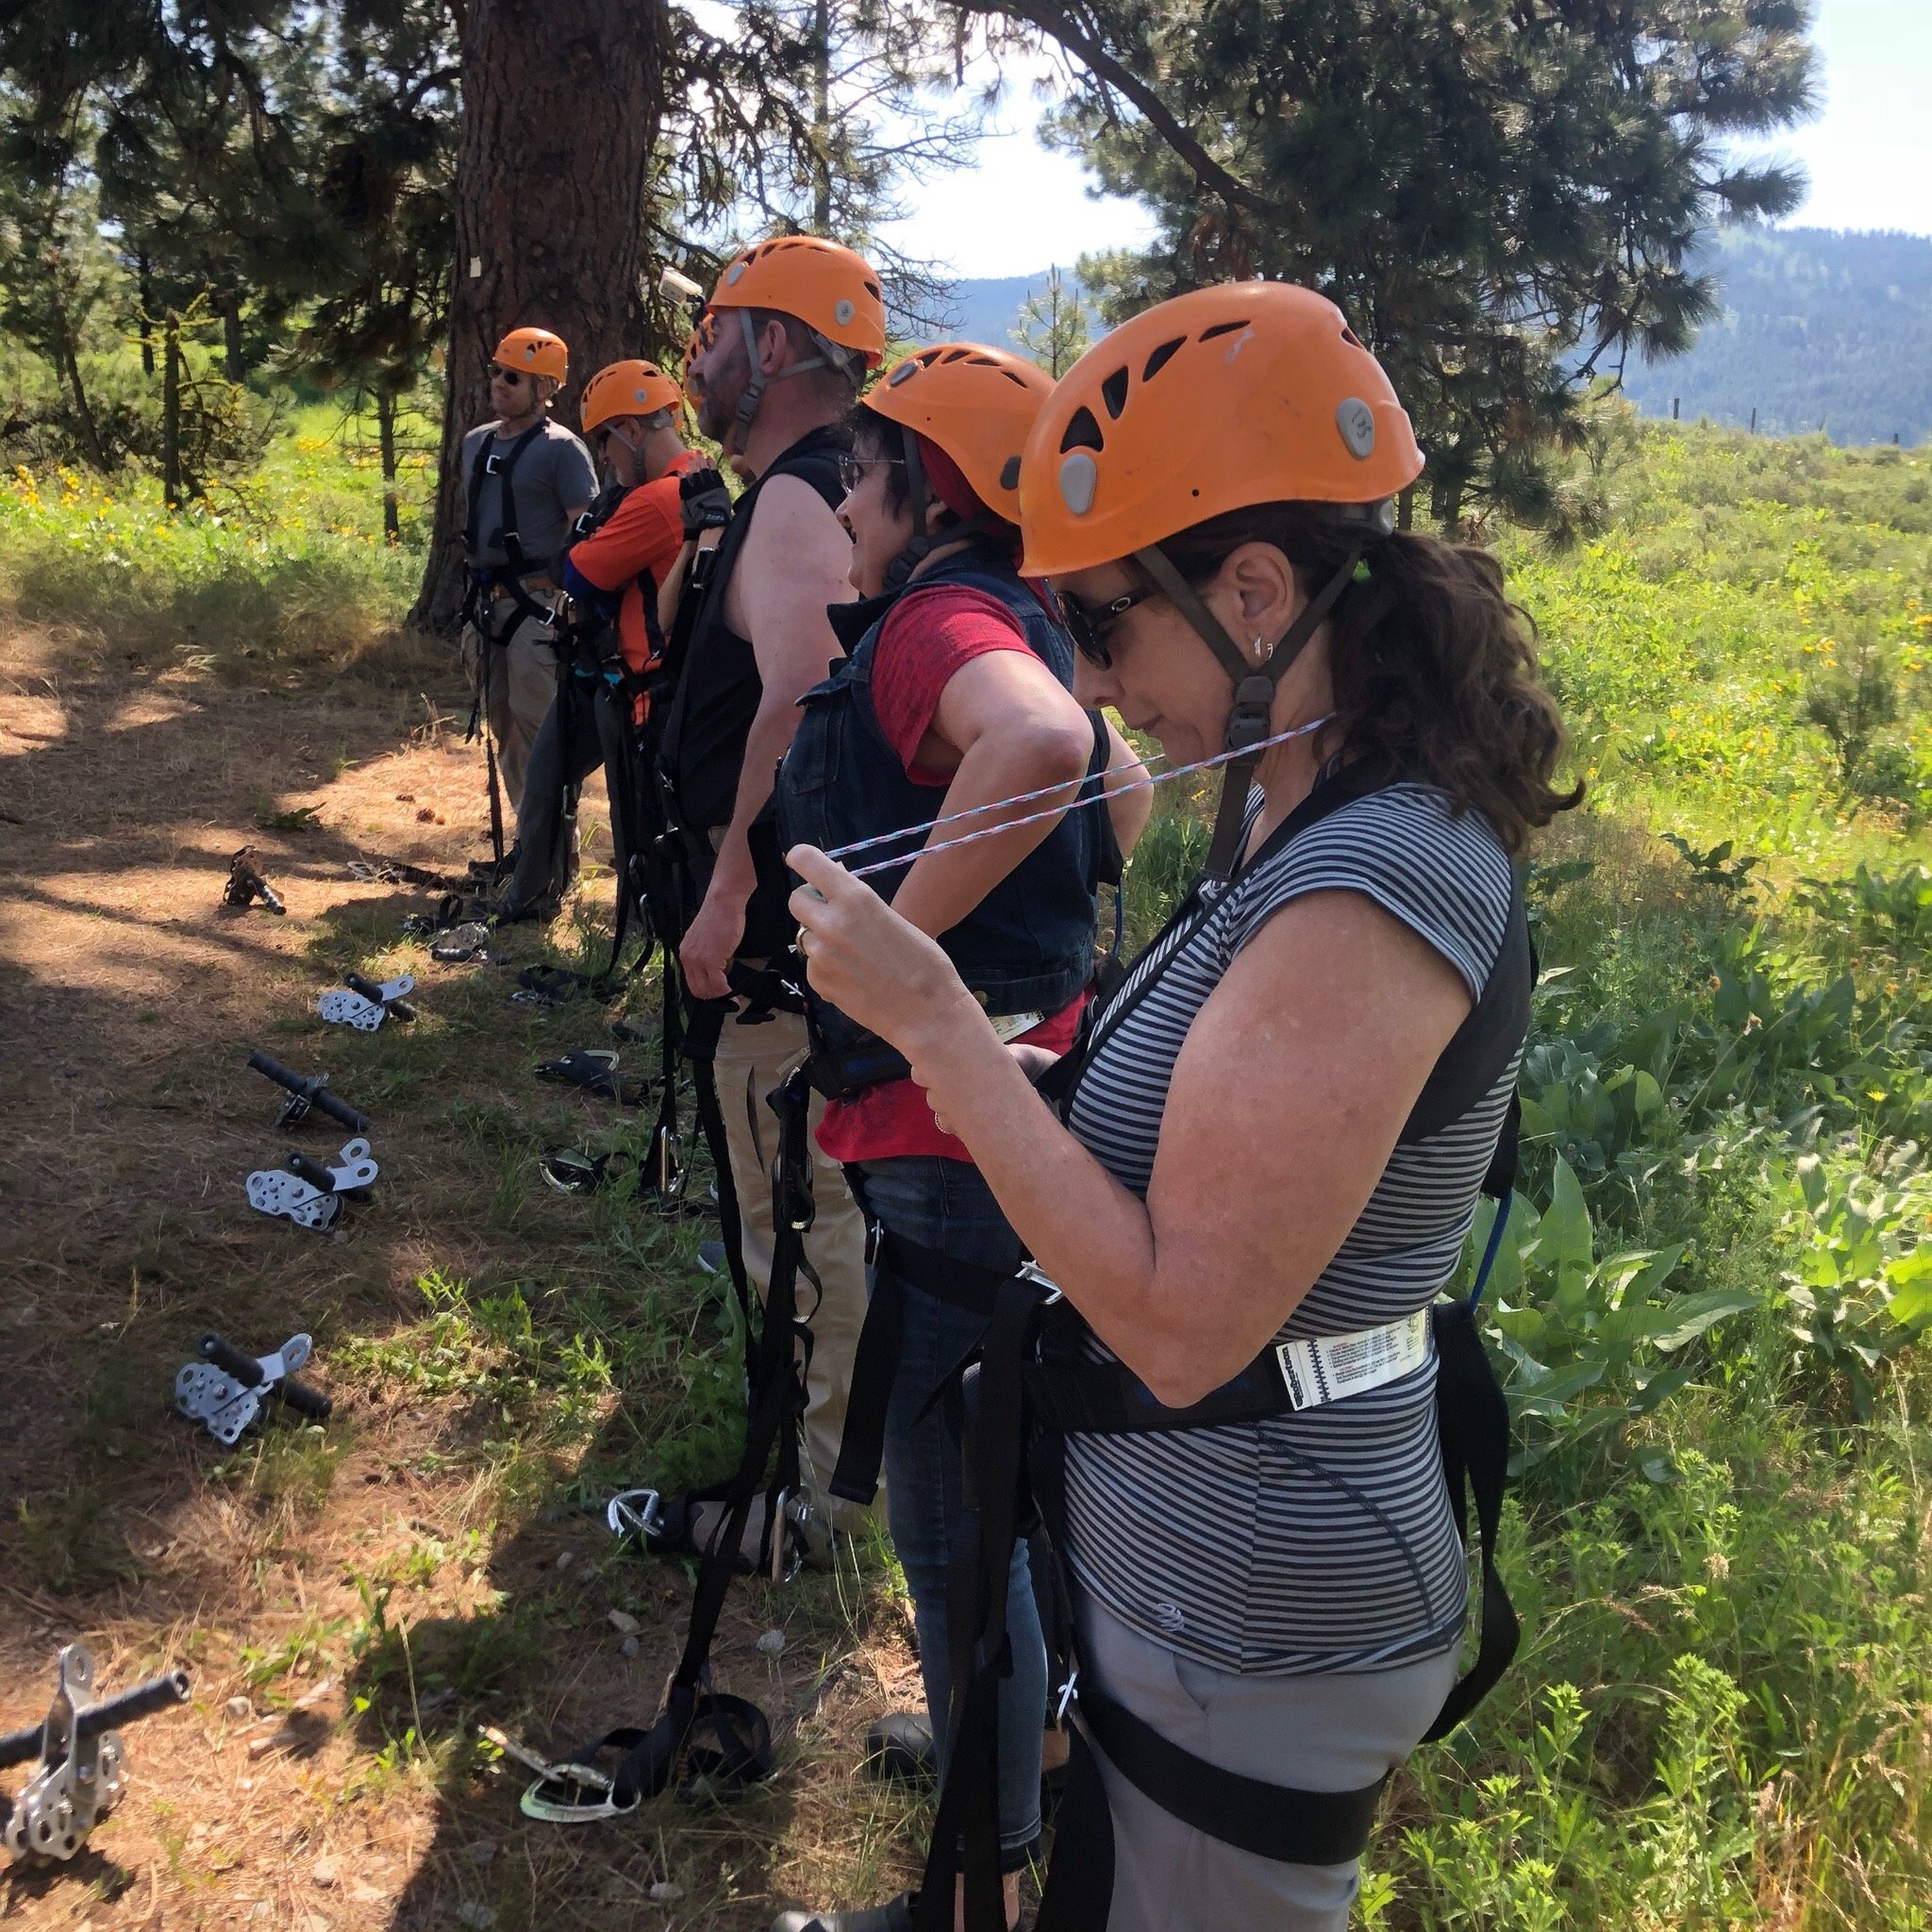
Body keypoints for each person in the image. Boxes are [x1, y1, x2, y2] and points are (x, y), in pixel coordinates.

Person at [785, 281, 1580, 1931]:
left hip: (1259, 1600)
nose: (1080, 670)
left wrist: (935, 1022)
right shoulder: (1289, 807)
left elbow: (1175, 1322)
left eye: (1101, 617)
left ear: (1256, 591)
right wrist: (1050, 1098)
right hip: (1197, 1581)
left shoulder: (1373, 875)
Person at [767, 344, 1150, 1932]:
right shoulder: (1028, 615)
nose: (841, 503)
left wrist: (890, 959)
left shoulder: (935, 620)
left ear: (922, 487)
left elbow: (1054, 757)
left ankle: (977, 1895)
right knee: (1008, 1487)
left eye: (860, 474)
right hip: (1029, 1101)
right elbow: (1120, 786)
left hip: (946, 1130)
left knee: (949, 1516)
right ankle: (1031, 1750)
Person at [650, 237, 885, 1554]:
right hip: (809, 929)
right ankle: (818, 1460)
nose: (699, 356)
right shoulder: (834, 484)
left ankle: (816, 1504)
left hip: (775, 943)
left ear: (779, 348)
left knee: (801, 1208)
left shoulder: (798, 500)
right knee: (805, 1201)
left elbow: (803, 702)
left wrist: (733, 885)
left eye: (716, 330)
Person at [491, 358, 725, 924]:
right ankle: (532, 896)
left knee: (635, 826)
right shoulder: (700, 474)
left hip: (638, 691)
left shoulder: (654, 501)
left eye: (605, 440)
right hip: (616, 676)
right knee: (551, 775)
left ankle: (638, 928)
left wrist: (578, 545)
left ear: (632, 430)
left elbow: (578, 575)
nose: (605, 457)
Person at [459, 327, 597, 838]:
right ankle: (528, 846)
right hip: (485, 605)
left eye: (512, 376)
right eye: (495, 371)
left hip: (537, 604)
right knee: (505, 729)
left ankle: (552, 857)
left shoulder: (563, 450)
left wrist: (574, 601)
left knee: (541, 733)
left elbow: (586, 529)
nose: (498, 383)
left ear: (543, 388)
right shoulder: (475, 443)